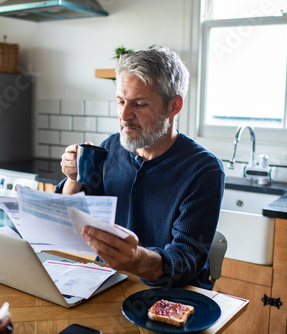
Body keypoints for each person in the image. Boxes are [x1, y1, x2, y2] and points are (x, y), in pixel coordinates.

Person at [56, 45, 224, 289]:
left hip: (172, 297)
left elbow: (187, 258)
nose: (124, 115)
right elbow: (71, 217)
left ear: (174, 106)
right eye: (120, 101)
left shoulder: (203, 170)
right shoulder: (110, 148)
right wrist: (74, 178)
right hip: (108, 283)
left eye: (140, 104)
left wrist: (136, 260)